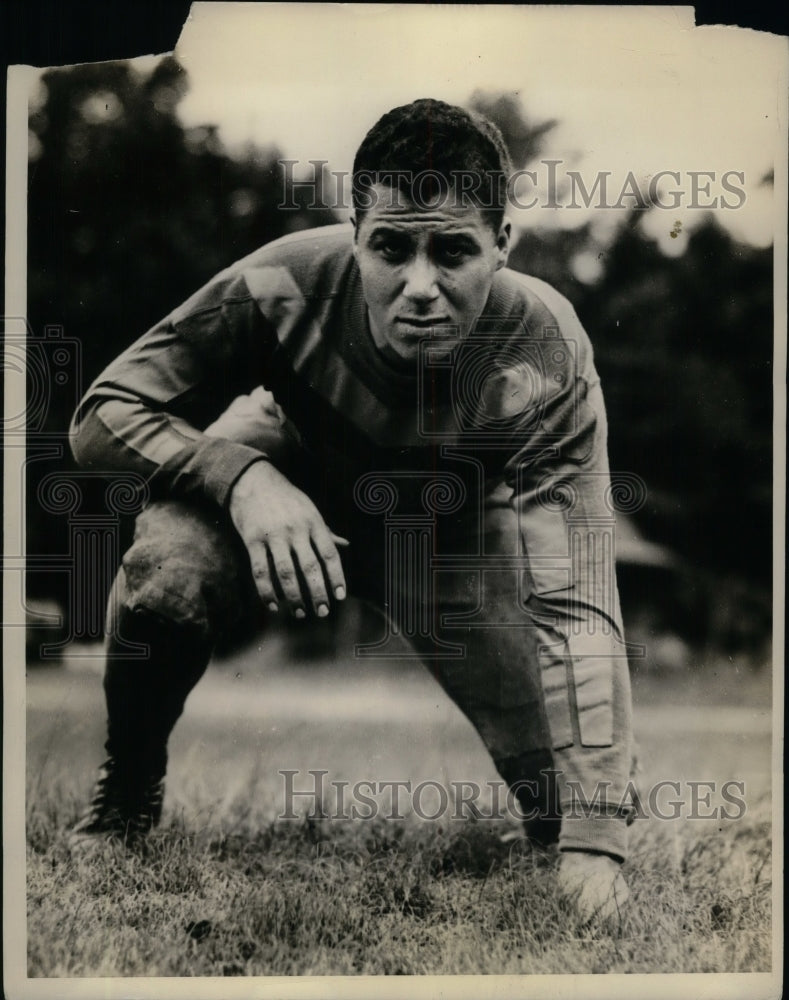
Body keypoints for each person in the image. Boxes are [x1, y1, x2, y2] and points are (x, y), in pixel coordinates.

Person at [69, 98, 634, 923]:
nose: (418, 287)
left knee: (564, 806)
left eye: (452, 252)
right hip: (285, 469)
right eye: (390, 247)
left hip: (444, 536)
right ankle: (123, 797)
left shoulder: (545, 348)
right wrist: (242, 477)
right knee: (167, 580)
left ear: (503, 245)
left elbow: (577, 600)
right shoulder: (280, 279)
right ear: (355, 231)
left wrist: (593, 846)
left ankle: (568, 830)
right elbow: (100, 414)